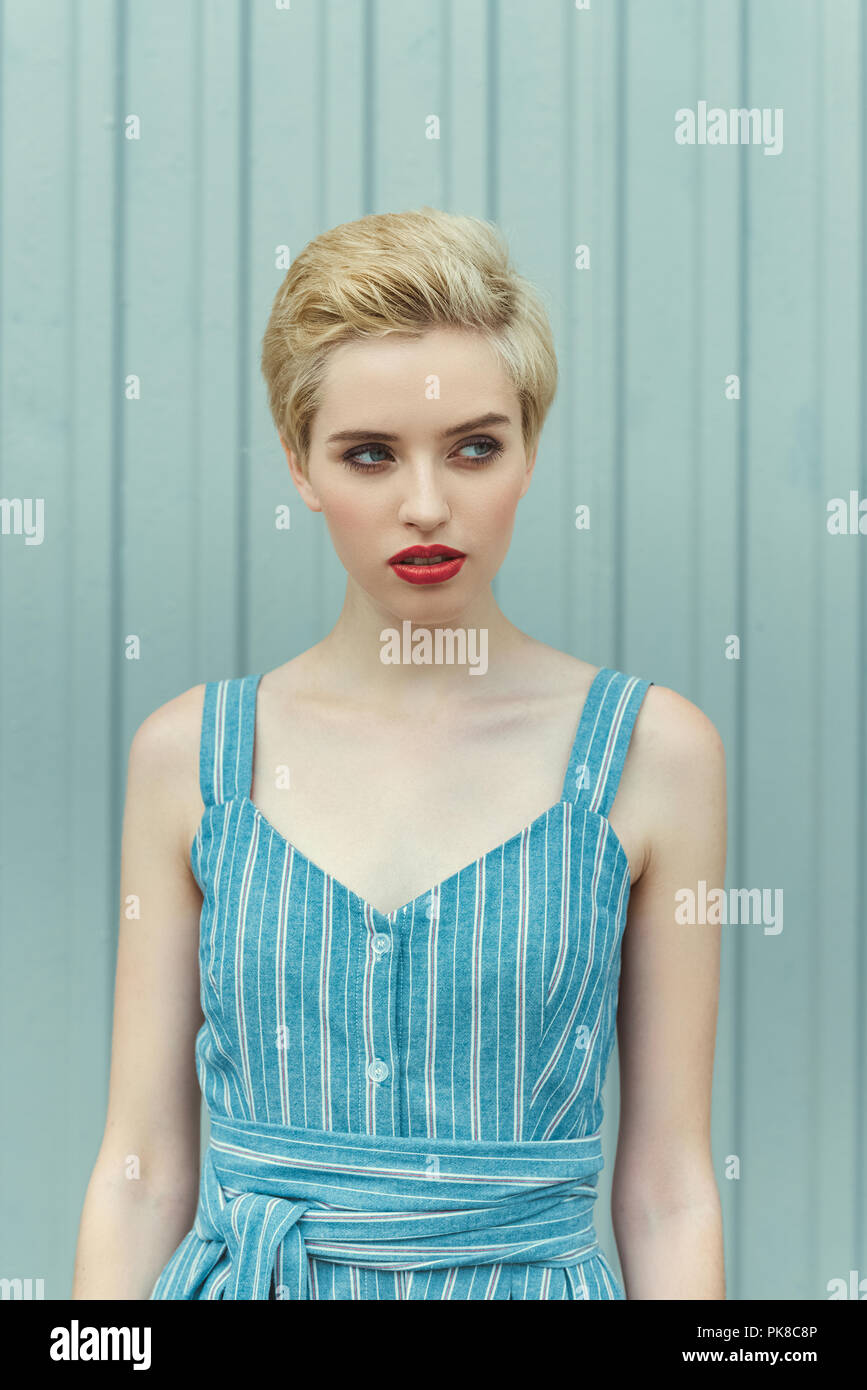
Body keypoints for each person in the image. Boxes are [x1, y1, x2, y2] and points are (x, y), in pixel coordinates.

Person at [72, 207, 726, 1300]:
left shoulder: (655, 753)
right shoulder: (189, 755)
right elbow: (140, 1176)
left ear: (529, 451)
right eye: (369, 454)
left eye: (475, 446)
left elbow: (668, 1187)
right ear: (299, 465)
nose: (428, 505)